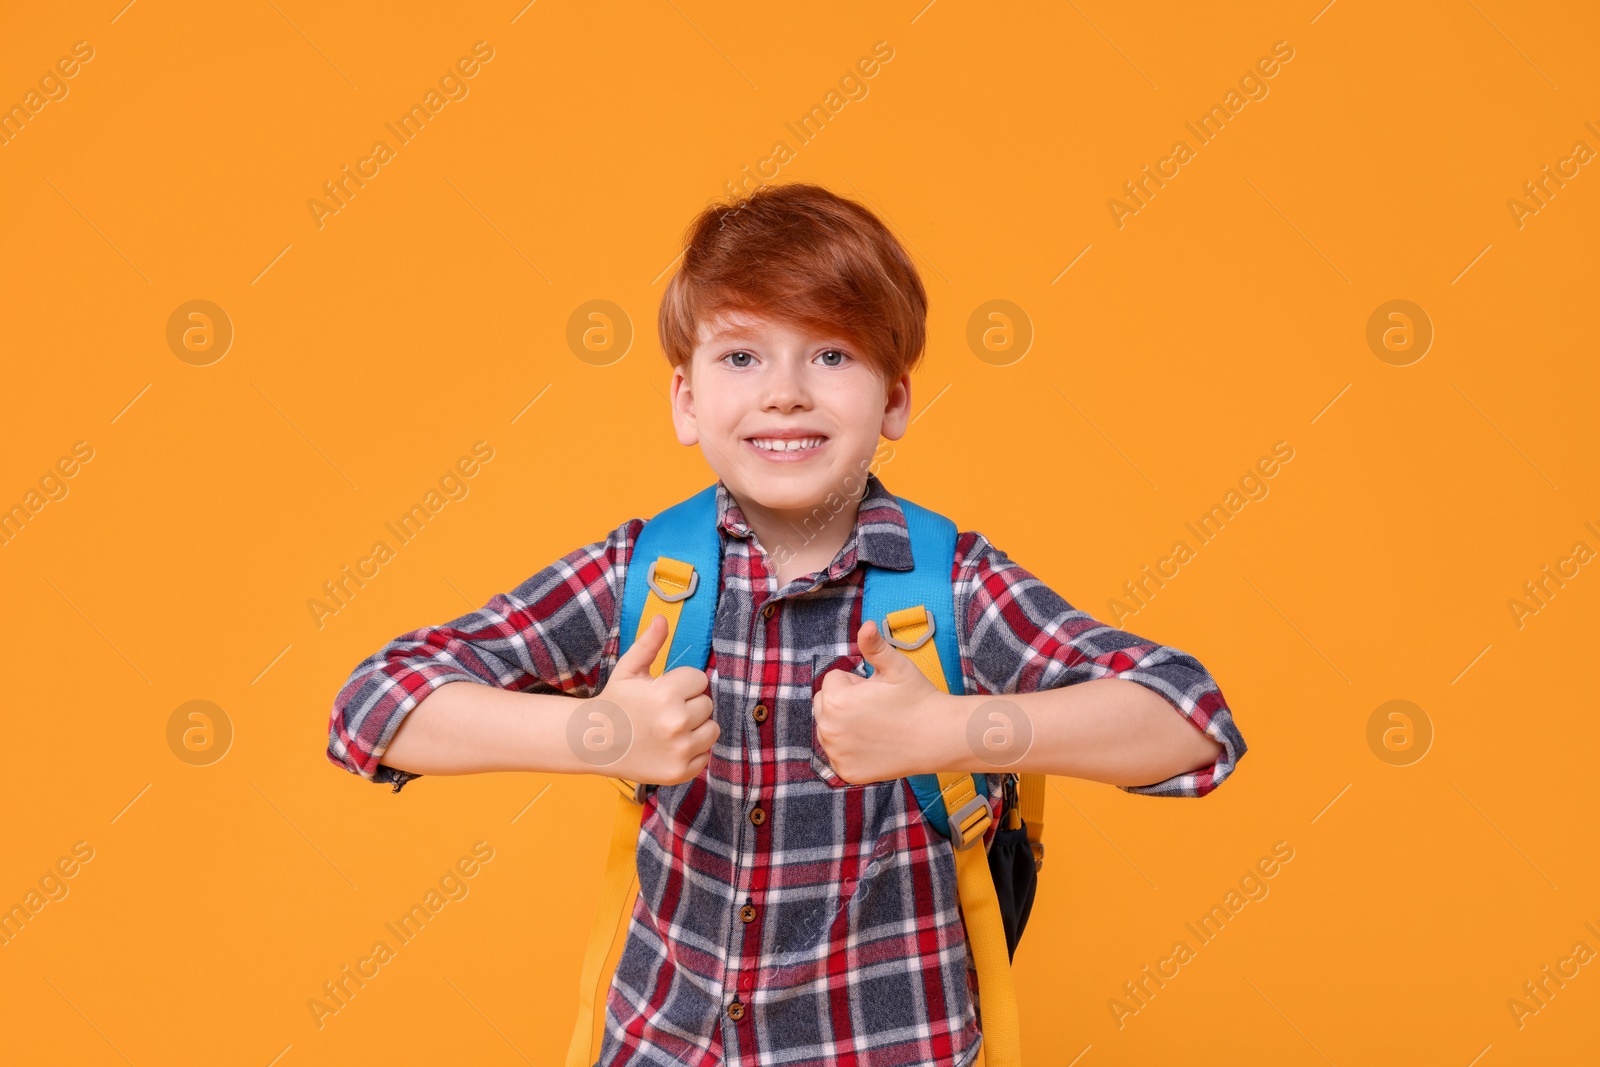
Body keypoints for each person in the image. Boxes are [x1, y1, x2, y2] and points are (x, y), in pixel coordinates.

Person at [325, 182, 1246, 1066]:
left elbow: (1188, 723)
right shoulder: (639, 576)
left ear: (894, 399)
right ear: (686, 402)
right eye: (741, 357)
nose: (786, 392)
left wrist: (949, 729)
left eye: (832, 355)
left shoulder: (953, 587)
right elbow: (372, 707)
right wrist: (593, 730)